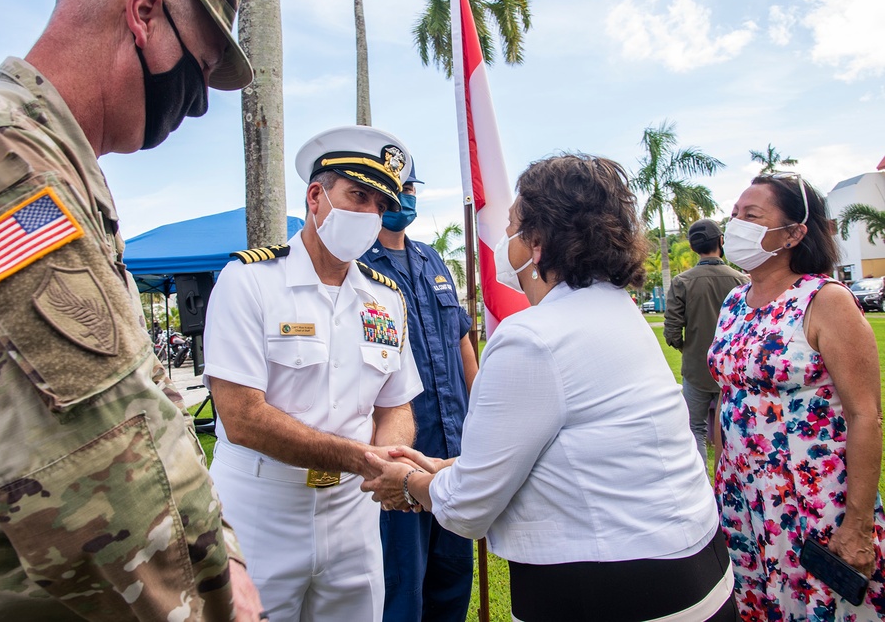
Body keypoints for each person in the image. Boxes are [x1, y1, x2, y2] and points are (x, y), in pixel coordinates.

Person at [0, 0, 264, 620]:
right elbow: (97, 457)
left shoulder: (45, 167)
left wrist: (224, 553)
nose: (197, 104)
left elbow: (149, 405)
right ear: (143, 14)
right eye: (198, 70)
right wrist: (219, 603)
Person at [363, 154, 736, 621]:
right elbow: (573, 447)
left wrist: (412, 482)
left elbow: (468, 510)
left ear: (535, 243)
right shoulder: (617, 309)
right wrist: (452, 466)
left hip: (609, 589)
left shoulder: (531, 338)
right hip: (694, 567)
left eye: (512, 225)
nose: (503, 240)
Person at [203, 126, 423, 622]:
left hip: (354, 515)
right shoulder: (250, 281)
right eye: (357, 195)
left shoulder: (386, 299)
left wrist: (388, 457)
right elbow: (241, 417)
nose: (369, 214)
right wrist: (365, 458)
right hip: (261, 509)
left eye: (378, 204)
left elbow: (397, 405)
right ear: (316, 196)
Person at [709, 173, 885, 618]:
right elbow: (727, 394)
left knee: (815, 605)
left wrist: (858, 525)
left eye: (752, 216)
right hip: (741, 494)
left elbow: (866, 415)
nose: (736, 226)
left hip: (809, 498)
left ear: (793, 233)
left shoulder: (825, 300)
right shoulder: (733, 301)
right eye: (734, 216)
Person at [359, 165, 479, 622]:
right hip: (399, 453)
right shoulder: (358, 264)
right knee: (402, 584)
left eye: (411, 188)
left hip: (453, 451)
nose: (405, 198)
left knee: (453, 578)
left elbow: (461, 342)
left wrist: (483, 413)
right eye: (397, 189)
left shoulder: (432, 259)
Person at [663, 219, 747, 465]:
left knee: (695, 429)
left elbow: (672, 330)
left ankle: (704, 483)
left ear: (693, 247)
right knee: (733, 430)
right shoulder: (741, 281)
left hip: (696, 368)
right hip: (732, 370)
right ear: (721, 241)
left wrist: (687, 348)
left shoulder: (683, 282)